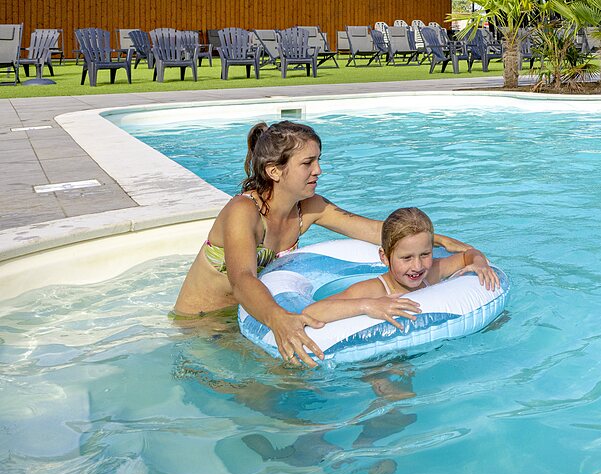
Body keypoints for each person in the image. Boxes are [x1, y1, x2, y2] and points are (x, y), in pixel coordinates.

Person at [173, 121, 497, 366]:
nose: (319, 170)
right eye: (307, 163)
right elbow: (242, 278)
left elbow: (372, 230)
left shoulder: (308, 208)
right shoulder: (243, 212)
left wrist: (434, 239)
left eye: (318, 160)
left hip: (247, 318)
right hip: (204, 324)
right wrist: (278, 319)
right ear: (274, 171)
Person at [302, 207, 495, 327]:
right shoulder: (373, 289)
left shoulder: (433, 271)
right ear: (384, 257)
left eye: (425, 254)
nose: (417, 266)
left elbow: (469, 255)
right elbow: (312, 312)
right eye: (407, 258)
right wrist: (368, 305)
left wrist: (480, 264)